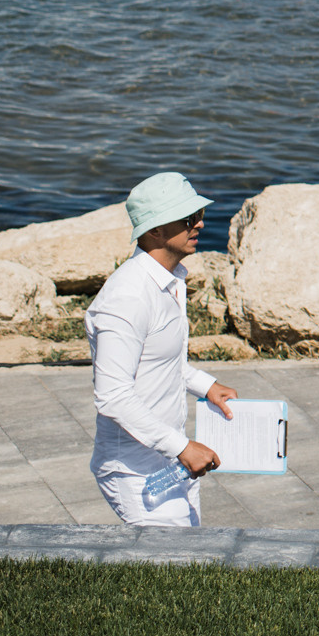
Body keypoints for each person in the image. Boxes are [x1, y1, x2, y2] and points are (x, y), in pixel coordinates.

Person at [85, 172, 240, 527]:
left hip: (168, 459)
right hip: (134, 470)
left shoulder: (170, 280)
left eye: (199, 213)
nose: (200, 223)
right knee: (176, 569)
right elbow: (112, 396)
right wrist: (183, 447)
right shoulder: (127, 298)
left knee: (188, 566)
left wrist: (206, 386)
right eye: (188, 218)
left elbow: (161, 359)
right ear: (154, 230)